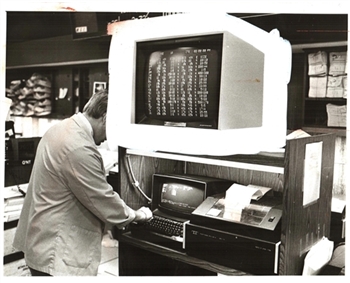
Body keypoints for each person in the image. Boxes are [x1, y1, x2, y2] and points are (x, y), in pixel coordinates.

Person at [13, 89, 152, 276]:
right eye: (115, 127)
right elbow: (102, 199)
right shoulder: (79, 147)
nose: (108, 139)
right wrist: (137, 215)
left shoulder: (60, 129)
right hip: (58, 255)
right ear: (105, 117)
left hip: (41, 244)